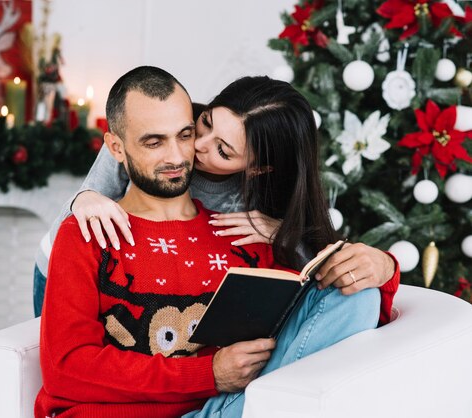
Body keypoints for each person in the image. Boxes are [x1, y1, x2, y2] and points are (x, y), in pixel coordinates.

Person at [35, 66, 386, 418]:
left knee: (358, 295)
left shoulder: (251, 231)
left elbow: (330, 295)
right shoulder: (87, 230)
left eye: (185, 135)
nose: (182, 154)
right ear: (117, 147)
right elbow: (64, 369)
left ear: (256, 169)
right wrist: (210, 374)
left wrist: (384, 266)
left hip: (222, 409)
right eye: (155, 142)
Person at [32, 75, 400, 323]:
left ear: (258, 169)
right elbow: (76, 220)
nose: (193, 149)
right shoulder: (162, 127)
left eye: (223, 151)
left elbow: (324, 274)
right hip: (60, 273)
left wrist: (284, 234)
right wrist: (85, 198)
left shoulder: (263, 199)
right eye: (204, 124)